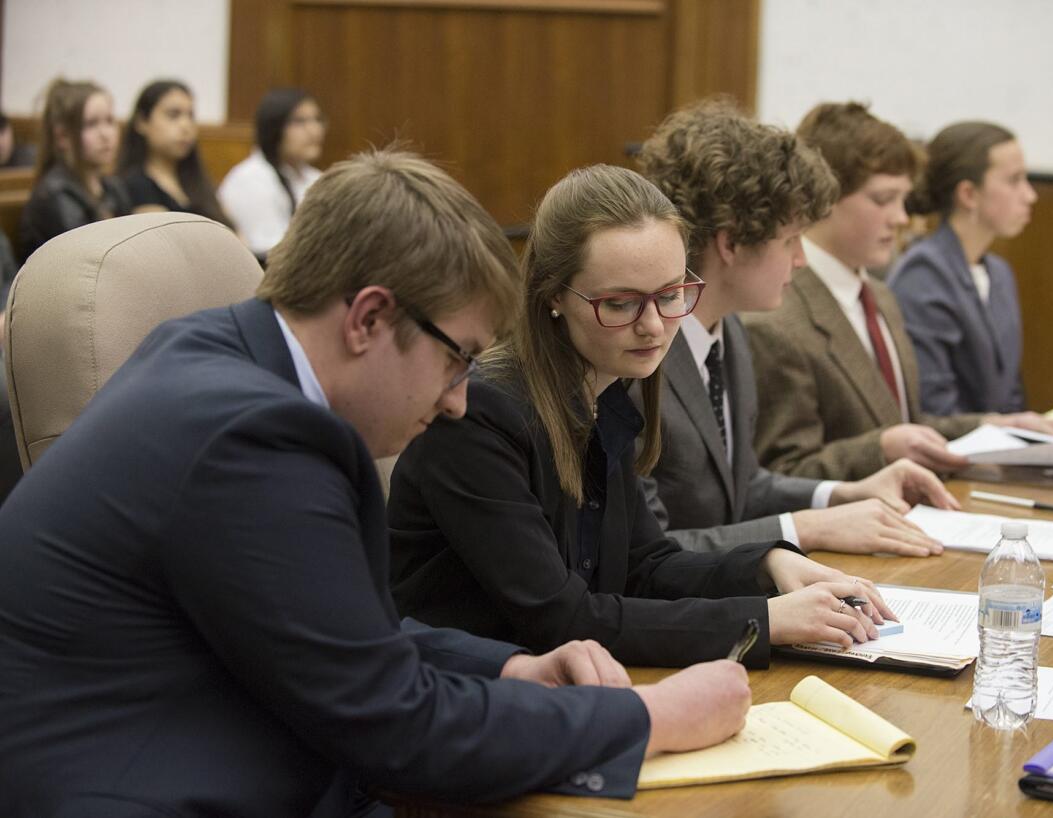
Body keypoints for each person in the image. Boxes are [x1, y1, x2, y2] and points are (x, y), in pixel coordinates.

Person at [0, 150, 754, 817]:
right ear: (367, 318)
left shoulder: (215, 356)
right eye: (457, 358)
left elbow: (352, 634)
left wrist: (510, 666)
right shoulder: (252, 441)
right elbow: (396, 726)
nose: (460, 397)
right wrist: (649, 721)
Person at [387, 163, 896, 672]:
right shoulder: (482, 414)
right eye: (621, 303)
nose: (653, 326)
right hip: (465, 702)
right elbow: (563, 619)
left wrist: (769, 565)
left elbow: (646, 565)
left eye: (670, 295)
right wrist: (763, 619)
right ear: (553, 296)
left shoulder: (606, 392)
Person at [633, 98, 957, 558]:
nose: (802, 259)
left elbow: (744, 486)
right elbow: (650, 553)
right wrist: (806, 528)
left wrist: (844, 494)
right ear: (731, 243)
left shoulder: (728, 333)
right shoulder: (639, 354)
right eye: (790, 241)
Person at [744, 102, 1053, 481]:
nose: (901, 218)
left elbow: (908, 423)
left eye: (902, 199)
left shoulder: (880, 296)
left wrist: (997, 424)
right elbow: (785, 471)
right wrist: (881, 448)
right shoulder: (778, 316)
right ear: (823, 199)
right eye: (883, 200)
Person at [888, 121, 1035, 415]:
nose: (1030, 195)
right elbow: (934, 408)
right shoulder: (923, 275)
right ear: (968, 194)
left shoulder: (999, 273)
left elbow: (1012, 396)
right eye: (1014, 180)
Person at [18, 78, 130, 262]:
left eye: (109, 121)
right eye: (91, 124)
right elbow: (89, 260)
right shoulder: (54, 195)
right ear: (63, 136)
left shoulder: (113, 187)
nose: (106, 134)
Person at [219, 87, 325, 258]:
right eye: (299, 121)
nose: (314, 130)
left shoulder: (316, 178)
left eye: (317, 120)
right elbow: (268, 252)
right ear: (274, 127)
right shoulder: (249, 179)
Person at [118, 79, 232, 226]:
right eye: (173, 115)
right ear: (142, 122)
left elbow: (232, 231)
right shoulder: (135, 184)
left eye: (190, 116)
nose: (186, 126)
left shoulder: (199, 181)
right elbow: (163, 240)